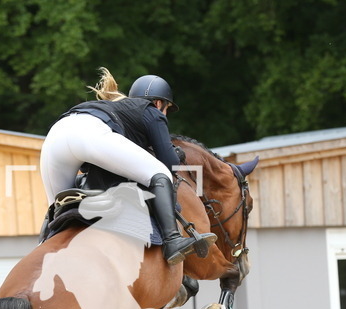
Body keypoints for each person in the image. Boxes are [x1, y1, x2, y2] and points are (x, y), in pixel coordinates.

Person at [39, 68, 215, 265]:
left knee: (56, 208)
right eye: (166, 109)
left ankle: (42, 253)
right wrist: (178, 154)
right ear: (159, 103)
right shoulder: (151, 110)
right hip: (88, 133)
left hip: (55, 136)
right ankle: (172, 240)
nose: (165, 115)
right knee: (160, 173)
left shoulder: (116, 111)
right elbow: (169, 163)